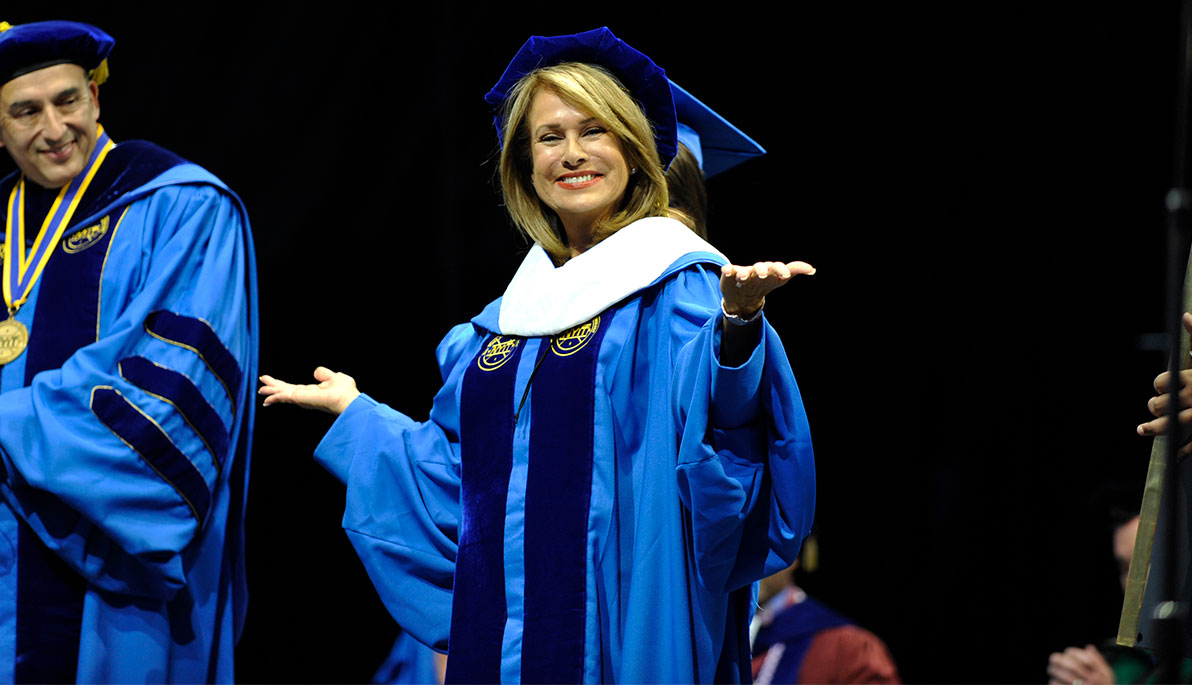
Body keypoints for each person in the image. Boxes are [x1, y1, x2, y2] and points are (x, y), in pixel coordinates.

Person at [260, 27, 813, 683]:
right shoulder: (504, 328)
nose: (572, 153)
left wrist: (739, 329)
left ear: (636, 151)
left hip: (624, 634)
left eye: (595, 130)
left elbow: (721, 459)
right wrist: (360, 416)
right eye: (549, 137)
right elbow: (461, 491)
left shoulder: (680, 290)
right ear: (523, 164)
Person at [0, 20, 257, 682]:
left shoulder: (182, 206)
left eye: (68, 101)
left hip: (113, 590)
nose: (53, 128)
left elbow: (165, 395)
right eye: (25, 111)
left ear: (96, 97)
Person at [750, 537, 901, 684]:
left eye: (759, 550)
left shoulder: (848, 647)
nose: (746, 569)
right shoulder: (730, 634)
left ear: (791, 556)